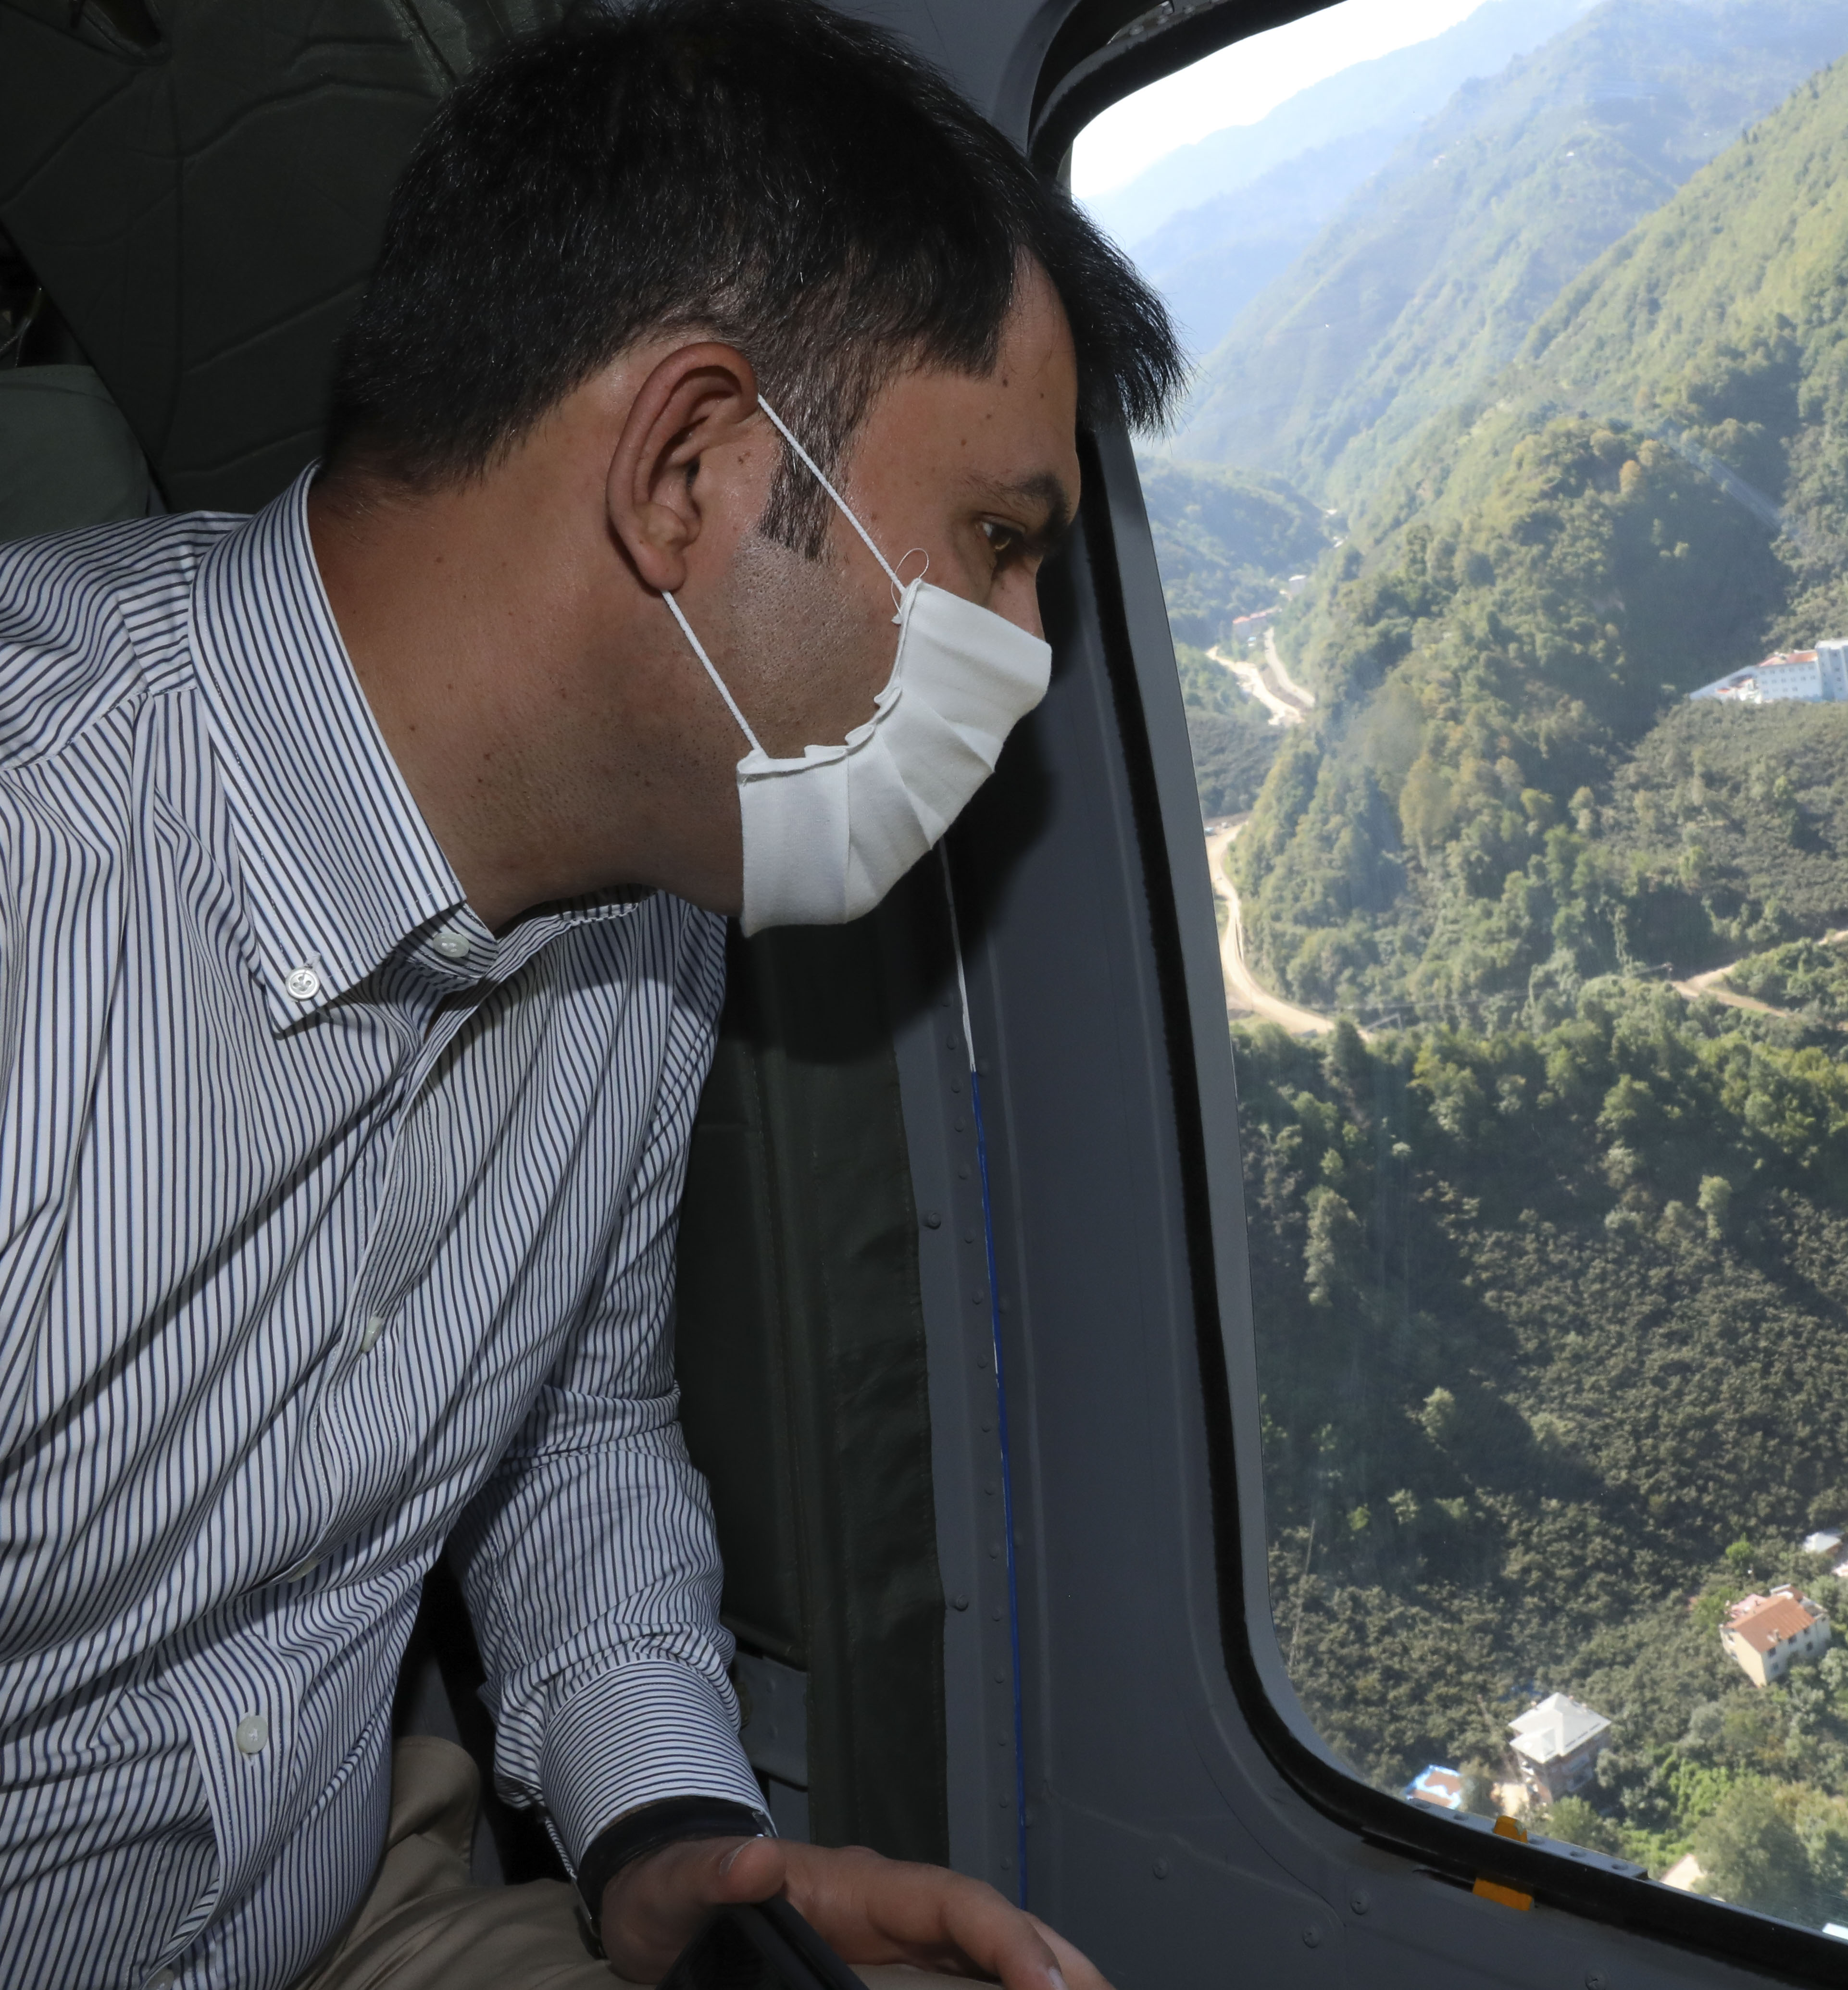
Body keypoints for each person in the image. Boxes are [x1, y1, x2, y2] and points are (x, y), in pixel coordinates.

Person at [0, 0, 1180, 1983]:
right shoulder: (42, 890)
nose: (1032, 654)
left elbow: (569, 1420)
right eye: (995, 542)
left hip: (327, 1885)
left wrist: (672, 1845)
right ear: (691, 467)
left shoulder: (654, 889)